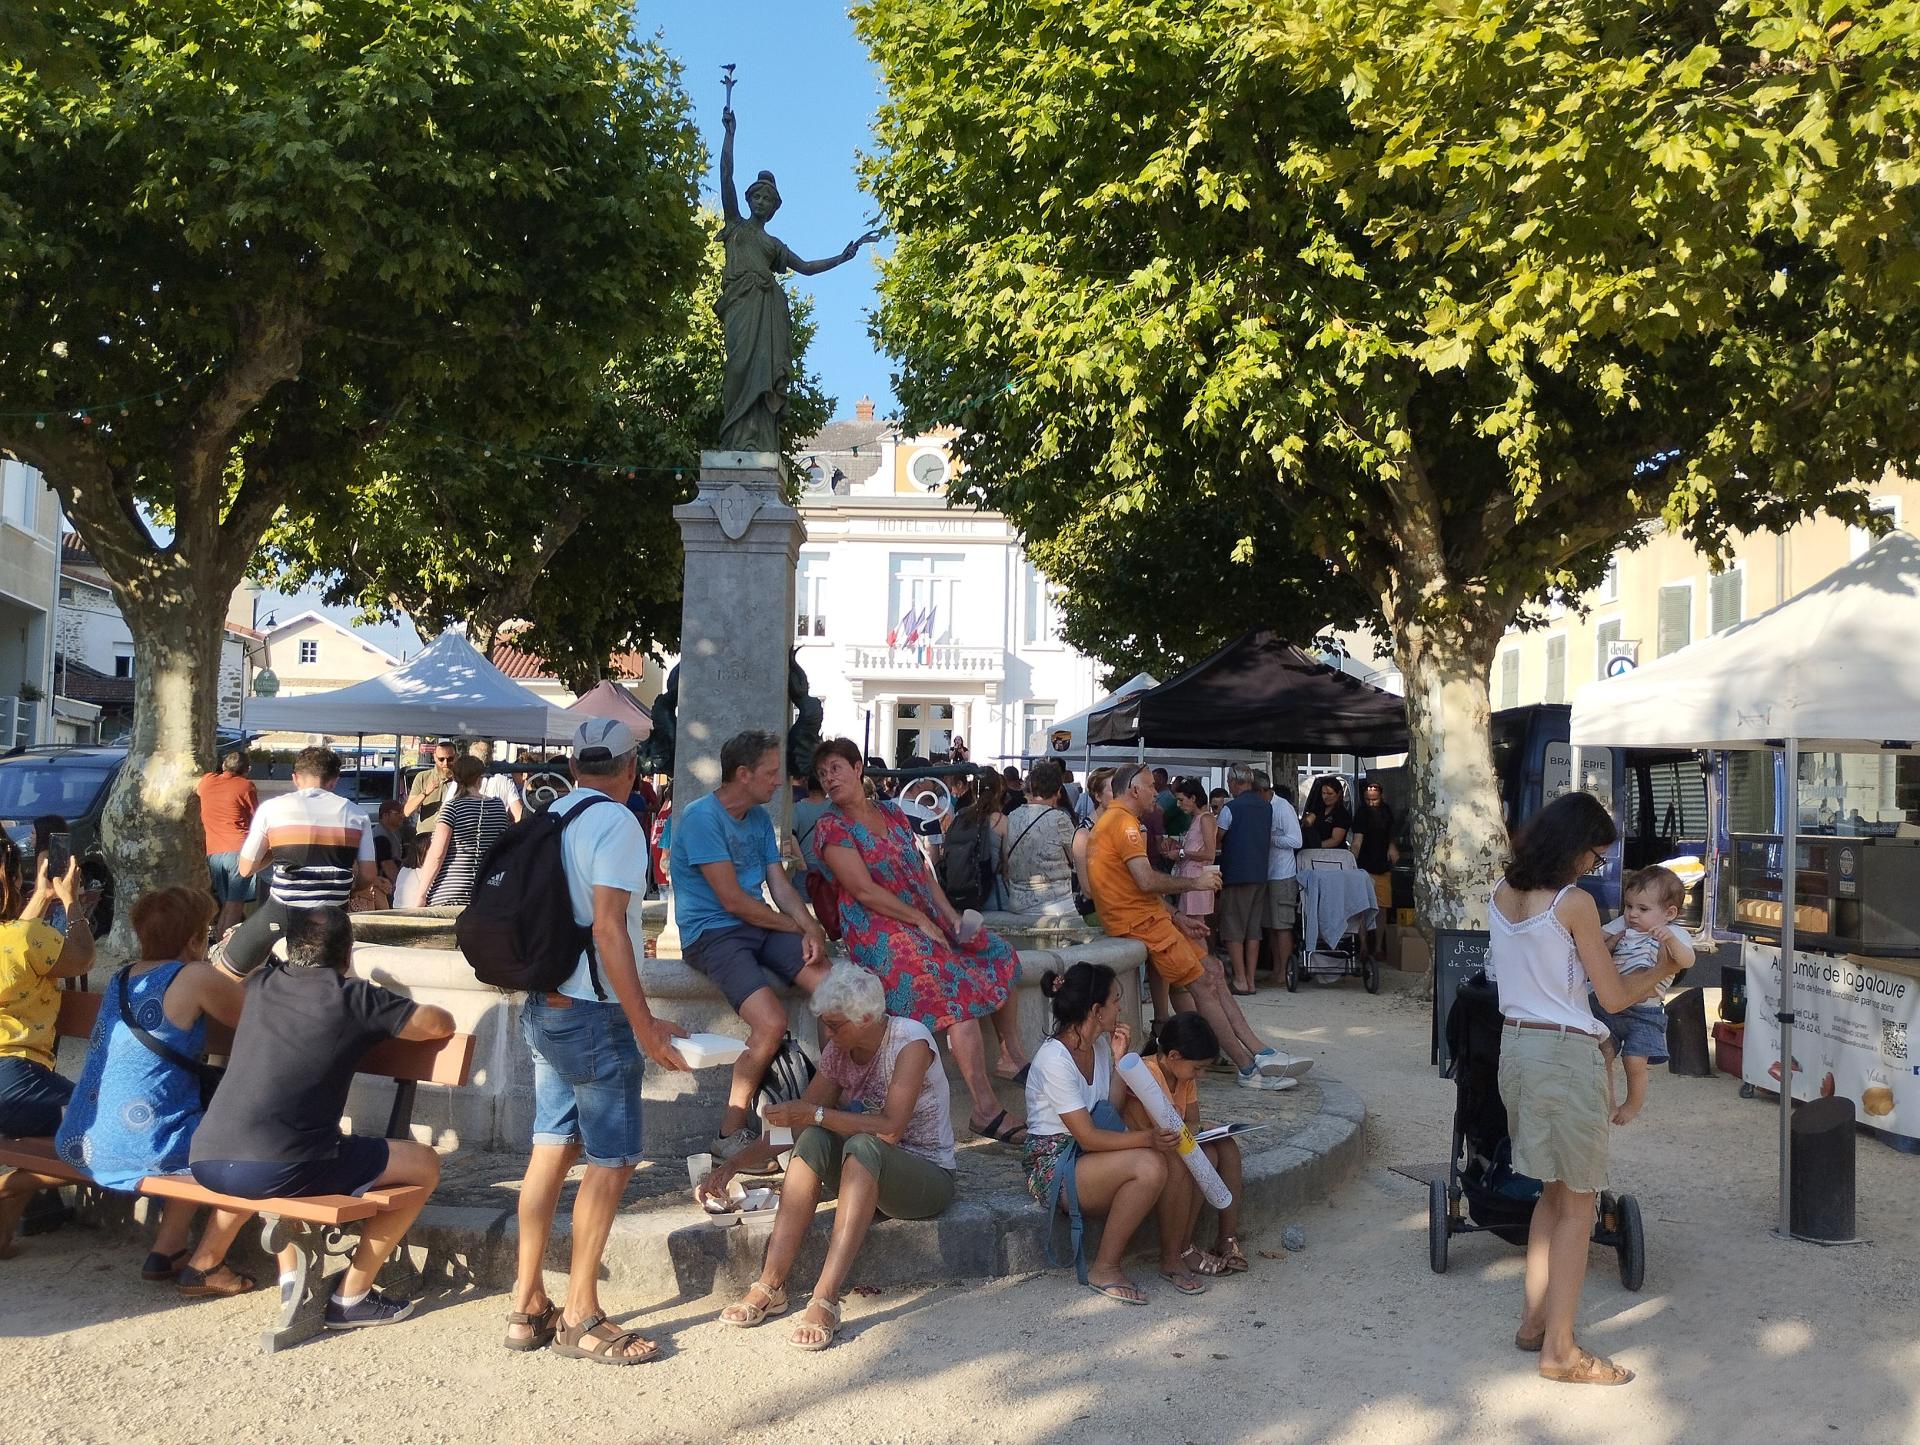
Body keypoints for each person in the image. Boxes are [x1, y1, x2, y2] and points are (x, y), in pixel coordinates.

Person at [508, 717, 690, 1365]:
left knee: (550, 1149)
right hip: (591, 1015)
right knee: (610, 1161)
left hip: (544, 1006)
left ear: (576, 763)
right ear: (631, 765)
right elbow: (612, 929)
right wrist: (643, 1023)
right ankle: (581, 1312)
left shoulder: (550, 813)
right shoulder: (615, 822)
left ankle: (527, 1301)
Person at [1491, 793, 1688, 1386]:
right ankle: (1560, 1349)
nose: (1594, 867)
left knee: (1551, 1197)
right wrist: (1666, 970)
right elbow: (1615, 996)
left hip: (1517, 1048)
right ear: (1576, 847)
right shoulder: (1572, 903)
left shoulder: (1501, 893)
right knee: (1579, 1204)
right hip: (1564, 1054)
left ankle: (1535, 1322)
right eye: (1595, 856)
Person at [188, 907, 452, 1328]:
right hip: (277, 1165)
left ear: (290, 950)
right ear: (347, 953)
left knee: (276, 1152)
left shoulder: (260, 985)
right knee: (425, 1164)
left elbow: (232, 971)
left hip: (206, 1158)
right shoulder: (354, 997)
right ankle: (353, 1296)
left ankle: (285, 1275)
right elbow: (439, 1023)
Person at [706, 963, 957, 1350]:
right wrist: (732, 1165)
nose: (828, 1034)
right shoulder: (841, 1049)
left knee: (859, 1141)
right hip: (868, 1172)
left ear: (868, 1018)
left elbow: (889, 1129)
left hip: (926, 1176)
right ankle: (771, 1284)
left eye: (836, 1025)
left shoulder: (911, 1041)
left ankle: (826, 1297)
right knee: (813, 1140)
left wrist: (815, 1115)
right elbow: (797, 1122)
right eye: (825, 1024)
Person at [53, 887, 275, 1295]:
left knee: (190, 1122)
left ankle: (167, 1250)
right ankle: (208, 1263)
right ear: (194, 938)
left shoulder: (123, 977)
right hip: (140, 1143)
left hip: (81, 1139)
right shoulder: (193, 976)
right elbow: (257, 1020)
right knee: (234, 1140)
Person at [812, 738, 1031, 1144]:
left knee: (997, 950)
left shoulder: (893, 813)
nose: (829, 778)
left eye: (836, 768)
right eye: (823, 773)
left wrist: (949, 918)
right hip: (878, 931)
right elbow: (862, 891)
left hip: (919, 917)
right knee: (952, 998)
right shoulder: (833, 827)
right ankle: (984, 1108)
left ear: (858, 768)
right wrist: (919, 921)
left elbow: (923, 872)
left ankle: (1009, 1052)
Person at [670, 728, 831, 1163]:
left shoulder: (759, 818)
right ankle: (730, 1130)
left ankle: (828, 1107)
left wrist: (809, 927)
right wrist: (794, 928)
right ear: (743, 774)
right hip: (712, 933)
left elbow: (779, 883)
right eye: (771, 772)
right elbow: (732, 900)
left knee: (834, 991)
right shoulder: (702, 818)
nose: (780, 781)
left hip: (755, 925)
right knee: (771, 1023)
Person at [1088, 764, 1302, 1090]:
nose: (1157, 797)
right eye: (1150, 788)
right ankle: (1247, 1069)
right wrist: (1195, 883)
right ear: (1133, 790)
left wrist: (1177, 916)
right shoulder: (1124, 825)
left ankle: (1260, 1052)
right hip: (1141, 924)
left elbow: (1134, 887)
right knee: (1203, 983)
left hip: (1152, 919)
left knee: (1214, 970)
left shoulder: (1119, 822)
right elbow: (1146, 881)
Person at [1022, 962, 1172, 1304]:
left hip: (1088, 1155)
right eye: (1115, 1000)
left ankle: (1176, 1255)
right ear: (1096, 1010)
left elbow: (1110, 1109)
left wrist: (1121, 1060)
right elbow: (1088, 1136)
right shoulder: (1054, 1059)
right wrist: (1148, 1138)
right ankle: (1104, 1267)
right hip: (1054, 1164)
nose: (1120, 1007)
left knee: (1162, 1156)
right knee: (1149, 1164)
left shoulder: (1099, 1046)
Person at [0, 844, 94, 1256]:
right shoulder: (25, 938)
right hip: (15, 1080)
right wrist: (72, 903)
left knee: (36, 1140)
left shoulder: (19, 938)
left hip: (13, 1091)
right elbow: (83, 958)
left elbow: (16, 949)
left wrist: (39, 897)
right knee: (109, 1131)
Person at [212, 746, 375, 979]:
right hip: (334, 914)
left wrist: (275, 851)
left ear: (295, 779)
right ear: (334, 780)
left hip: (284, 912)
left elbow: (246, 869)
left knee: (226, 974)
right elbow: (369, 875)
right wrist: (349, 888)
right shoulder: (357, 815)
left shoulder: (273, 809)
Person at [1118, 1012, 1249, 1288]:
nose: (1199, 1075)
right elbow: (1148, 1127)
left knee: (1226, 1146)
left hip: (1175, 1142)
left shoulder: (1184, 1077)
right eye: (1198, 1068)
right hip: (1149, 1146)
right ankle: (1181, 1249)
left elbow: (1192, 1119)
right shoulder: (1144, 1074)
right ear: (1174, 1056)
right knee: (1206, 1157)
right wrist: (1192, 1129)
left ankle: (1227, 1237)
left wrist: (1202, 1128)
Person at [1593, 866, 1694, 1126]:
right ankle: (1608, 1102)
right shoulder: (1625, 925)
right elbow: (1595, 939)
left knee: (1635, 1060)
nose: (1633, 914)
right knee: (1602, 1053)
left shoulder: (1675, 933)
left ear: (1669, 913)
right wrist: (1606, 942)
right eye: (1629, 906)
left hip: (1645, 1011)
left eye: (1643, 909)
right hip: (1610, 1005)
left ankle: (1632, 1105)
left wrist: (1669, 941)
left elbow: (1687, 960)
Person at [415, 755, 511, 908]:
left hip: (451, 892)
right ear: (480, 778)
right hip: (486, 891)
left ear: (455, 777)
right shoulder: (498, 806)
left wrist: (421, 894)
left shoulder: (451, 809)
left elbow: (437, 854)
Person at [1212, 765, 1271, 996]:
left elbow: (1218, 838)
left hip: (1237, 874)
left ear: (1236, 782)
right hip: (1260, 873)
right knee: (1253, 929)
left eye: (1229, 782)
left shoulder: (1231, 808)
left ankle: (1239, 980)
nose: (1228, 786)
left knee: (1233, 928)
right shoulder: (1266, 807)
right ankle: (1251, 979)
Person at [1004, 759, 1079, 916]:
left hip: (1016, 901)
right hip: (1056, 903)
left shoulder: (1012, 816)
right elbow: (1076, 857)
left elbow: (1006, 858)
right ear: (1058, 790)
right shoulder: (1060, 819)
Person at [197, 749, 258, 935]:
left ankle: (217, 940)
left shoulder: (206, 781)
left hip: (213, 852)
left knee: (225, 903)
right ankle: (224, 946)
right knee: (235, 903)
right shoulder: (246, 787)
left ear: (223, 766)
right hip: (239, 850)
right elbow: (256, 817)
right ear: (247, 769)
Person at [938, 769, 1006, 914]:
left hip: (957, 892)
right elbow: (1007, 863)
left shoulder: (960, 816)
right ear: (999, 790)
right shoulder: (1001, 821)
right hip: (990, 894)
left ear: (973, 789)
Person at [1163, 777, 1221, 939]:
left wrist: (1182, 853)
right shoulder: (1197, 819)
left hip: (1198, 878)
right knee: (1191, 926)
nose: (1179, 804)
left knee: (1195, 928)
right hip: (1191, 878)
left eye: (1181, 800)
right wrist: (1179, 848)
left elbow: (1209, 853)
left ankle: (1205, 963)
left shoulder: (1205, 818)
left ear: (1193, 798)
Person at [790, 771, 840, 940]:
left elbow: (791, 836)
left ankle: (808, 937)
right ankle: (826, 935)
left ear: (807, 786)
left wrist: (800, 861)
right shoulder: (833, 807)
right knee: (828, 905)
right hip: (829, 866)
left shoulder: (797, 808)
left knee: (804, 907)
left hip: (805, 865)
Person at [1352, 780, 1397, 964]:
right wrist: (1352, 858)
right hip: (1364, 866)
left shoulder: (1387, 811)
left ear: (1381, 795)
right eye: (1369, 797)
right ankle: (1363, 946)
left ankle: (1378, 947)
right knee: (1363, 908)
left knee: (1383, 908)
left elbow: (1391, 834)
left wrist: (1393, 847)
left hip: (1383, 866)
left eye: (1375, 797)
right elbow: (1357, 840)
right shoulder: (1361, 813)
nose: (1372, 800)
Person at [1264, 778, 1304, 987]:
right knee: (1271, 926)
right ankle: (1277, 969)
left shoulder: (1283, 808)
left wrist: (1271, 839)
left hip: (1283, 874)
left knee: (1282, 926)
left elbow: (1296, 841)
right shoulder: (1264, 807)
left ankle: (1284, 972)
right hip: (1267, 874)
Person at [466, 739, 525, 823]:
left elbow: (446, 810)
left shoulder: (462, 780)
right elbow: (518, 815)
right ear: (491, 757)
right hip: (498, 832)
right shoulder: (504, 781)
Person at [403, 740, 458, 830]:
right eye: (441, 759)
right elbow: (407, 811)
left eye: (450, 759)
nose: (445, 763)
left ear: (456, 757)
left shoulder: (461, 780)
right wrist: (425, 793)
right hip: (426, 835)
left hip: (451, 834)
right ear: (435, 757)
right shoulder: (422, 777)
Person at [1299, 776, 1352, 851]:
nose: (1326, 797)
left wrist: (1315, 846)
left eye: (1330, 794)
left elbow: (1335, 840)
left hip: (1333, 853)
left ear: (1339, 794)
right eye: (1323, 793)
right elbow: (1308, 821)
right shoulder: (1319, 809)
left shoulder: (1341, 814)